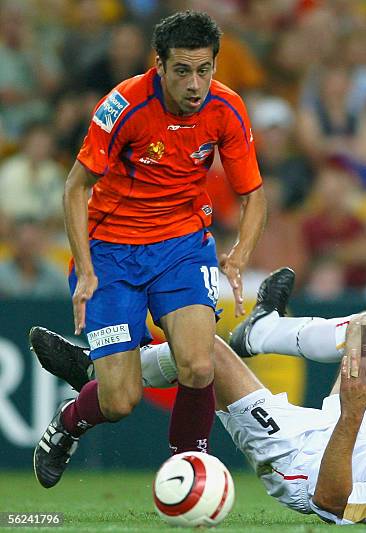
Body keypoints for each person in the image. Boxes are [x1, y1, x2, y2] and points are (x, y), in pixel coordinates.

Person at [31, 268, 366, 525]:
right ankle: (261, 330)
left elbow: (328, 501)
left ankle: (84, 396)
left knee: (207, 353)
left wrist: (348, 416)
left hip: (308, 459)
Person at [33, 11, 267, 489]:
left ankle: (187, 477)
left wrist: (240, 252)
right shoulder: (123, 106)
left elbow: (253, 194)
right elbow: (76, 188)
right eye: (182, 70)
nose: (195, 84)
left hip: (182, 246)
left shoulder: (227, 109)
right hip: (112, 253)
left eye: (204, 70)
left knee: (199, 364)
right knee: (119, 399)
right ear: (158, 64)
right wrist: (89, 271)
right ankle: (68, 422)